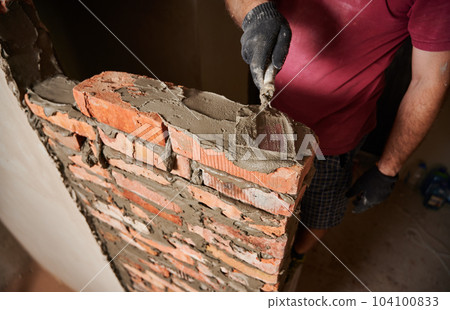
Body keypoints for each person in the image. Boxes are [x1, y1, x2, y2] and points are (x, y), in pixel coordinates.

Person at [225, 0, 450, 288]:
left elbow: (430, 80)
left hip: (334, 136)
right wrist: (256, 12)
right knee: (259, 208)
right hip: (268, 117)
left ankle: (293, 259)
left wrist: (388, 168)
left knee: (321, 212)